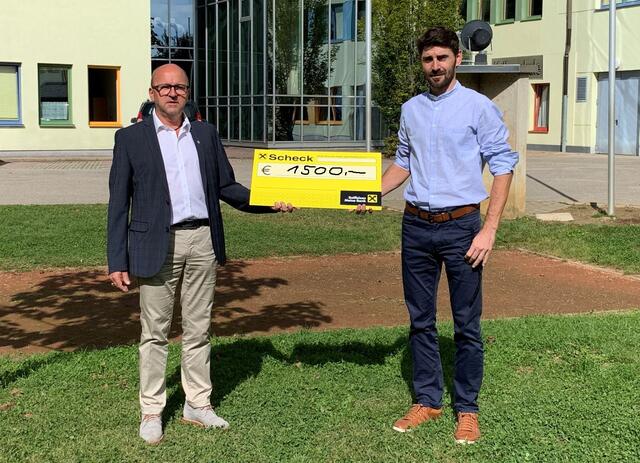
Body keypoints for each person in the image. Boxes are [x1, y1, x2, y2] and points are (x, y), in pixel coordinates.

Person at [107, 64, 293, 445]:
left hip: (203, 240)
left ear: (187, 92)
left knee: (198, 328)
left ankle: (198, 403)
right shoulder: (130, 138)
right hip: (156, 243)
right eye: (165, 87)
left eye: (179, 87)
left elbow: (226, 185)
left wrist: (268, 203)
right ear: (152, 92)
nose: (172, 93)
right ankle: (152, 410)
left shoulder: (205, 134)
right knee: (154, 333)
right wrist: (117, 260)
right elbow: (117, 203)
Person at [361, 27, 518, 443]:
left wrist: (489, 229)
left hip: (463, 227)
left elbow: (503, 166)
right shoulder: (411, 108)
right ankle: (428, 401)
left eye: (442, 58)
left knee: (467, 323)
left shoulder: (478, 107)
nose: (435, 66)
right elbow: (404, 163)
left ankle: (467, 408)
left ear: (457, 59)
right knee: (420, 320)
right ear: (423, 63)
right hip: (415, 226)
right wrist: (368, 192)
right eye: (428, 59)